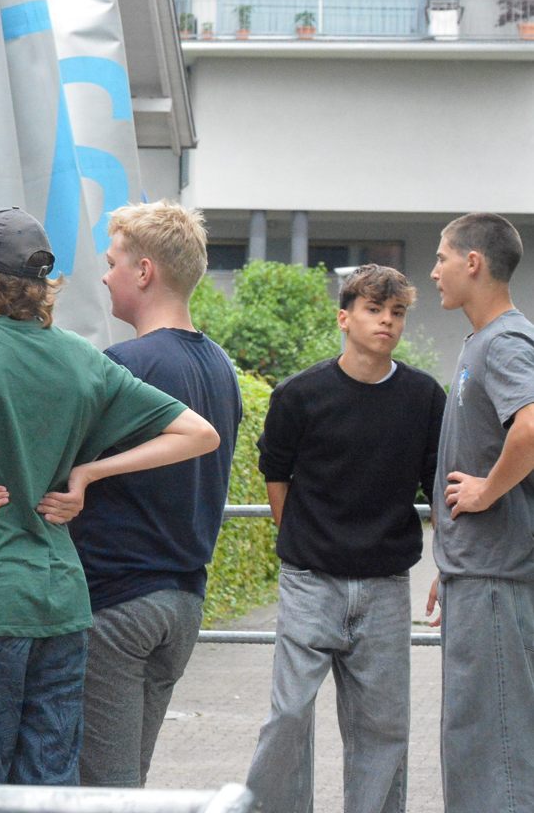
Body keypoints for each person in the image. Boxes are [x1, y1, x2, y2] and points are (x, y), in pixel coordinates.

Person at [0, 207, 220, 787]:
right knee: (48, 787)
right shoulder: (82, 359)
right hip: (60, 602)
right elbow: (197, 434)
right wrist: (87, 475)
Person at [243, 264, 444, 813]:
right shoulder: (299, 394)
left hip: (384, 584)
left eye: (396, 312)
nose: (386, 321)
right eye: (374, 310)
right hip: (311, 580)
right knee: (287, 716)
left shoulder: (425, 397)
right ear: (345, 317)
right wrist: (301, 541)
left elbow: (437, 486)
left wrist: (448, 563)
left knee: (383, 728)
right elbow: (276, 473)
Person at [70, 202, 242, 788]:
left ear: (144, 272)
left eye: (112, 262)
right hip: (184, 602)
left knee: (102, 793)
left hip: (115, 601)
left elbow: (62, 466)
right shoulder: (221, 365)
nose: (104, 275)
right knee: (127, 784)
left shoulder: (126, 366)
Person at [426, 212, 534, 813]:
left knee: (496, 745)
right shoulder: (481, 342)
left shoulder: (506, 340)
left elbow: (532, 427)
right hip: (480, 570)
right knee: (477, 740)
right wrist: (454, 556)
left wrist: (486, 493)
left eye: (443, 257)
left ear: (474, 263)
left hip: (497, 576)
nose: (434, 270)